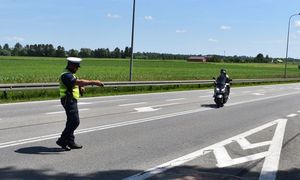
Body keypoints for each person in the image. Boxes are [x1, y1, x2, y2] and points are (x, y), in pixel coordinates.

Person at [56, 57, 103, 151]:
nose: (77, 68)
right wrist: (94, 82)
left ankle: (70, 141)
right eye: (76, 67)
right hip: (68, 100)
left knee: (71, 121)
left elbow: (75, 84)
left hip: (71, 99)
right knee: (75, 121)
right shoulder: (66, 75)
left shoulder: (71, 74)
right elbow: (79, 82)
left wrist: (80, 88)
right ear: (71, 65)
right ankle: (62, 140)